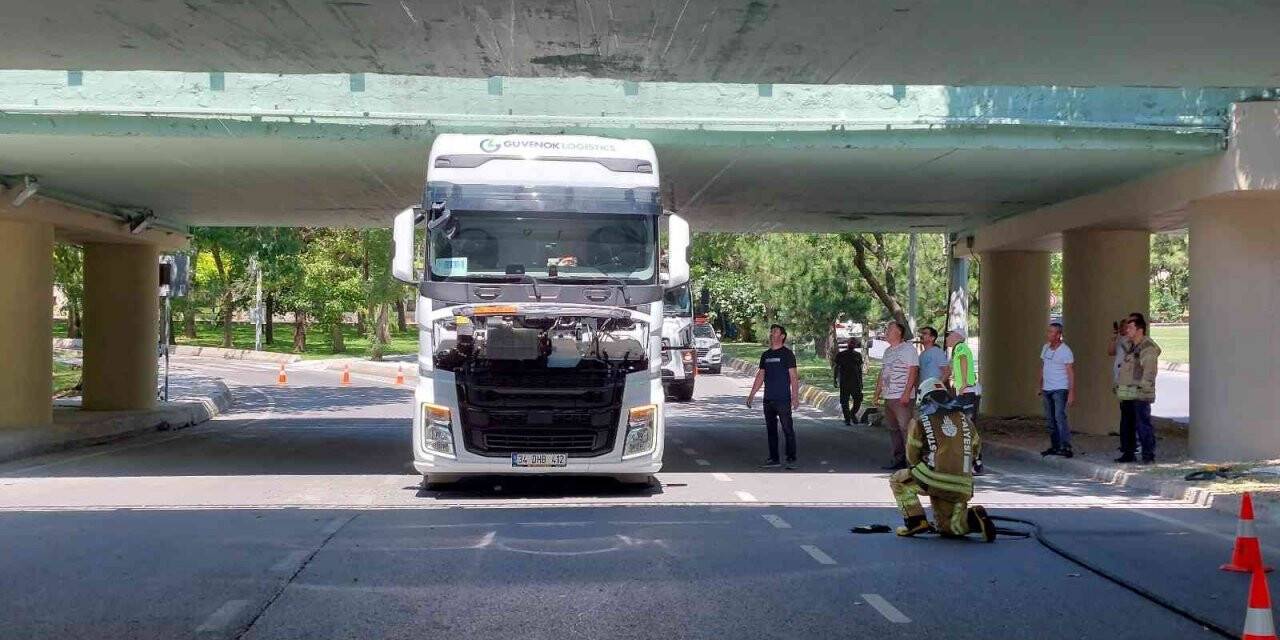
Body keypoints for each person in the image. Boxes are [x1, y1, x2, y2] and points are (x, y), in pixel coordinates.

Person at [888, 378, 996, 542]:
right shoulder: (966, 420)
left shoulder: (919, 421)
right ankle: (973, 518)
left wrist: (929, 470)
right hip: (963, 484)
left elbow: (912, 456)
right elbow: (976, 449)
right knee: (950, 528)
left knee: (898, 480)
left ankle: (915, 521)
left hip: (933, 479)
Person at [746, 324, 800, 469]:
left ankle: (791, 457)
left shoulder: (787, 354)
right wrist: (752, 394)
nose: (772, 334)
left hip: (783, 399)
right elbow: (761, 375)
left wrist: (795, 396)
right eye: (771, 331)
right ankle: (774, 458)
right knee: (771, 430)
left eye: (775, 331)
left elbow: (793, 377)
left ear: (782, 336)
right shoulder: (766, 355)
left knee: (787, 428)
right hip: (768, 399)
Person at [1115, 314, 1161, 464]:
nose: (1127, 330)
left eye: (1130, 327)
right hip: (1127, 392)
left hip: (1140, 393)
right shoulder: (1130, 345)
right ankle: (1128, 453)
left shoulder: (1147, 348)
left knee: (1142, 424)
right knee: (1127, 424)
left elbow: (1149, 371)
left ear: (1140, 329)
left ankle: (1148, 455)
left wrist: (1144, 388)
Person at [873, 321, 919, 470]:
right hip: (889, 395)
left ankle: (912, 462)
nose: (886, 332)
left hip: (901, 397)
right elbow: (883, 373)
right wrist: (877, 393)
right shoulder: (888, 351)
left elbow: (913, 371)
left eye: (889, 329)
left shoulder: (908, 349)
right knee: (893, 429)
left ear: (899, 332)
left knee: (906, 428)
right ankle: (898, 459)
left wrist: (907, 393)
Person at [945, 328, 983, 473]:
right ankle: (970, 462)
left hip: (967, 392)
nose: (947, 337)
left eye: (950, 335)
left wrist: (965, 383)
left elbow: (963, 361)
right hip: (965, 392)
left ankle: (976, 463)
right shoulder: (957, 349)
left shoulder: (960, 347)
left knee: (967, 428)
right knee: (964, 428)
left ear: (957, 336)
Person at [1039, 322, 1076, 458]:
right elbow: (1043, 367)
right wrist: (1040, 385)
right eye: (1048, 331)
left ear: (1059, 335)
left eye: (1052, 332)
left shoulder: (1065, 350)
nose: (1049, 334)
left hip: (1060, 388)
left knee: (1059, 417)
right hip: (1047, 388)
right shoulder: (1045, 348)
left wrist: (1071, 392)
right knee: (1050, 419)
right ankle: (1055, 446)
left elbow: (1071, 372)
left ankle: (1065, 446)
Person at [832, 337, 864, 425]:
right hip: (844, 381)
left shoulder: (858, 355)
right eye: (850, 342)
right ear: (847, 343)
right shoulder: (841, 354)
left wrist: (861, 382)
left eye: (853, 343)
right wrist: (835, 379)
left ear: (855, 345)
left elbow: (859, 370)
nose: (852, 344)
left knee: (858, 400)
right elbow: (836, 367)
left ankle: (852, 414)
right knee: (844, 401)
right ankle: (847, 419)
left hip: (856, 382)